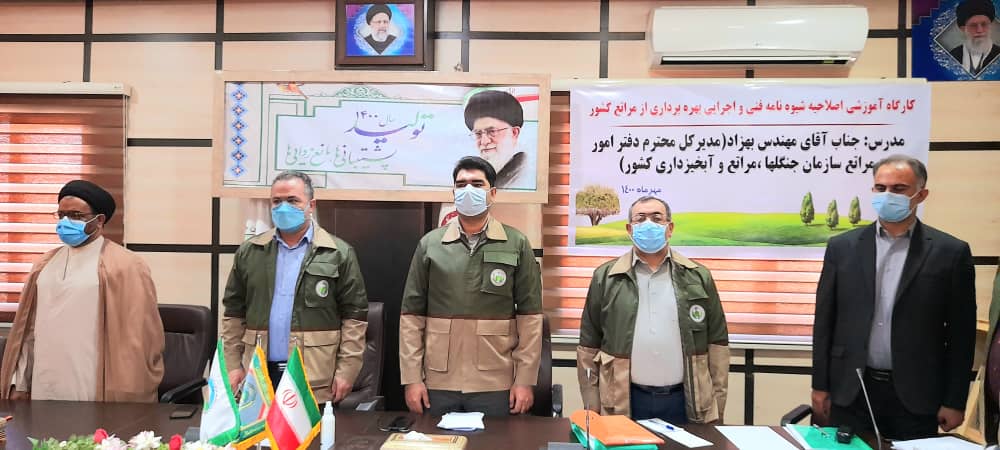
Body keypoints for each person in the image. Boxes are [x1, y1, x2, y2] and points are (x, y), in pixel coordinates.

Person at [812, 155, 976, 440]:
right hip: (852, 390)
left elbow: (961, 335)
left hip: (916, 395)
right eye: (880, 188)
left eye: (899, 189)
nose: (887, 195)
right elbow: (825, 321)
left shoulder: (950, 253)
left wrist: (954, 400)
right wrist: (820, 385)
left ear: (921, 195)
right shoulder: (842, 247)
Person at [399, 156, 543, 417]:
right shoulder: (430, 245)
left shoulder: (516, 243)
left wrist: (524, 380)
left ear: (492, 193)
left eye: (477, 184)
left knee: (496, 439)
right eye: (461, 184)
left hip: (496, 380)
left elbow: (530, 319)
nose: (468, 190)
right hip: (438, 380)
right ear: (453, 192)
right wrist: (412, 378)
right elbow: (411, 317)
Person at [0, 180, 164, 402]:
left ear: (100, 220)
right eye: (62, 215)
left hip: (95, 383)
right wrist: (19, 382)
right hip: (45, 379)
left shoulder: (127, 266)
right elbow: (28, 330)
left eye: (76, 215)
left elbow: (140, 338)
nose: (66, 222)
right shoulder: (45, 264)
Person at [576, 196, 729, 423]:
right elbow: (589, 347)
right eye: (640, 219)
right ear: (629, 229)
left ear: (670, 228)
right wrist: (591, 405)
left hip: (685, 401)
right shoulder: (606, 278)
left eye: (657, 218)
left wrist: (717, 408)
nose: (648, 224)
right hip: (625, 401)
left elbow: (718, 346)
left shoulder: (698, 276)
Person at [221, 171, 368, 404]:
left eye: (292, 201)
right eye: (276, 201)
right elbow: (233, 314)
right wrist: (232, 365)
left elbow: (354, 318)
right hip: (258, 375)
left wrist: (347, 370)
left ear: (311, 205)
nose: (283, 208)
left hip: (312, 377)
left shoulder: (337, 253)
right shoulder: (250, 252)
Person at [464, 90, 535, 190]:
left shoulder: (524, 176)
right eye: (478, 134)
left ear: (514, 133)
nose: (484, 141)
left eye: (492, 131)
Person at [949, 0, 1000, 76]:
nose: (979, 30)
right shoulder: (952, 56)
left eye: (984, 24)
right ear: (963, 29)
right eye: (973, 25)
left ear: (990, 26)